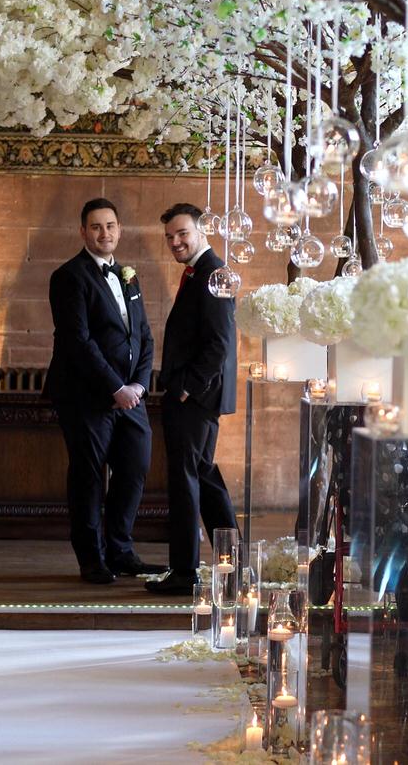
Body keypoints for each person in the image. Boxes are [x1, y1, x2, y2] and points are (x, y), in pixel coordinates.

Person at [45, 198, 161, 584]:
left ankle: (121, 550)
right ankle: (92, 559)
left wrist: (139, 385)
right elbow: (78, 342)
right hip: (86, 398)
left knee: (134, 468)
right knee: (89, 476)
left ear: (119, 230)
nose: (104, 233)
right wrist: (115, 388)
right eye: (96, 227)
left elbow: (143, 335)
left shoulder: (129, 276)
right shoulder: (68, 277)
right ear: (83, 232)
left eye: (110, 226)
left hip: (131, 396)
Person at [145, 203, 238, 595]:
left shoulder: (212, 273)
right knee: (201, 475)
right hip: (195, 396)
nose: (175, 242)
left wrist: (188, 388)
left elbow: (220, 343)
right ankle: (232, 560)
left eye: (182, 233)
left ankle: (185, 574)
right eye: (169, 237)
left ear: (202, 231)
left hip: (194, 398)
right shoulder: (200, 272)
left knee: (186, 481)